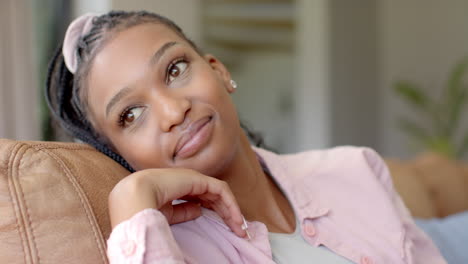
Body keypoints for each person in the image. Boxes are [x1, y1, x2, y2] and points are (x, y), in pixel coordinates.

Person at [45, 10, 446, 264]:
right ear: (121, 155)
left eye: (175, 69)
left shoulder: (357, 170)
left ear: (217, 71)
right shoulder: (169, 246)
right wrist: (130, 202)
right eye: (130, 115)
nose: (173, 111)